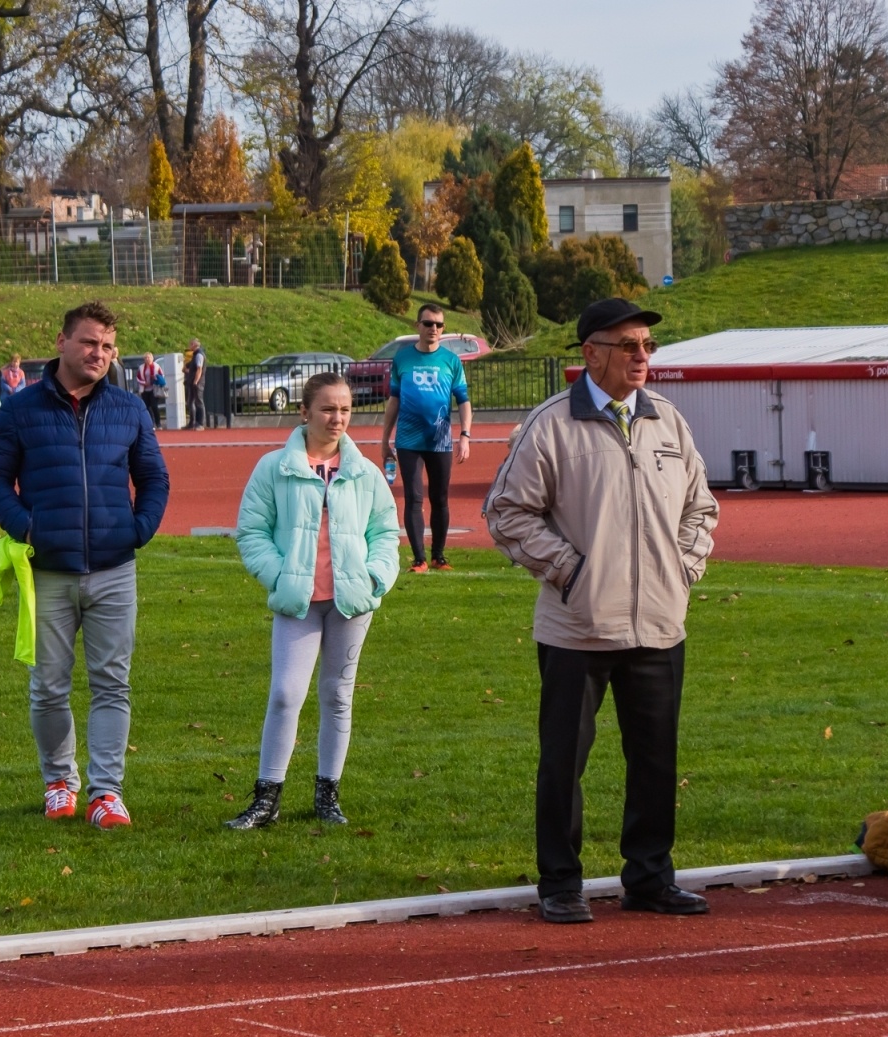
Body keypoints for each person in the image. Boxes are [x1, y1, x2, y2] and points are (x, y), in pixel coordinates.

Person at [484, 297, 719, 923]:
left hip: (659, 625)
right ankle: (560, 884)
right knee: (564, 763)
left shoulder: (668, 421)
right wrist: (570, 571)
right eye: (629, 346)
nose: (643, 357)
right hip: (578, 628)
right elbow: (506, 512)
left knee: (655, 760)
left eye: (648, 346)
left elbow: (702, 507)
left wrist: (682, 570)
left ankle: (649, 877)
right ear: (591, 353)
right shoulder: (552, 424)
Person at [0, 301, 170, 829]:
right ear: (61, 342)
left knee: (112, 682)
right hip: (48, 574)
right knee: (48, 685)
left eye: (107, 346)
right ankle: (59, 782)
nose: (99, 354)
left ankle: (107, 792)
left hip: (114, 569)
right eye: (89, 343)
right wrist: (29, 528)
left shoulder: (128, 409)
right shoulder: (22, 410)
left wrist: (138, 530)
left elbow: (154, 479)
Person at [228, 372, 400, 828]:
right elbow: (251, 532)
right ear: (305, 412)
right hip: (298, 603)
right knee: (285, 694)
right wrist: (281, 576)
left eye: (344, 409)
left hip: (351, 603)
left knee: (337, 695)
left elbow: (385, 531)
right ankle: (267, 798)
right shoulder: (274, 466)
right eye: (327, 408)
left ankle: (328, 795)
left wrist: (375, 578)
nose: (337, 417)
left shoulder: (363, 472)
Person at [380, 304, 473, 573]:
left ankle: (439, 556)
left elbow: (464, 401)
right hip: (408, 440)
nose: (434, 329)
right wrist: (385, 439)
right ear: (417, 325)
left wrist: (465, 436)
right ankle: (419, 558)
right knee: (413, 497)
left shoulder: (451, 361)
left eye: (439, 325)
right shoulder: (403, 359)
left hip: (440, 440)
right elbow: (393, 401)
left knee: (440, 498)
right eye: (428, 323)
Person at [134, 352, 165, 426]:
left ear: (152, 358)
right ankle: (151, 423)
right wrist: (144, 383)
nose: (147, 359)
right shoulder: (141, 367)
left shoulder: (156, 366)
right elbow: (138, 378)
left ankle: (158, 423)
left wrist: (155, 379)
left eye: (149, 357)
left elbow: (162, 375)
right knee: (147, 407)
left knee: (154, 406)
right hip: (144, 389)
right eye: (146, 358)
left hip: (154, 389)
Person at [184, 338, 207, 430]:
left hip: (197, 382)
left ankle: (200, 423)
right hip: (192, 381)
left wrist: (196, 381)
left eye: (191, 344)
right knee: (190, 401)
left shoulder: (199, 355)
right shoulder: (195, 355)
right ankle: (192, 423)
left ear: (194, 345)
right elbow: (191, 368)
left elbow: (199, 369)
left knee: (199, 402)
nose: (189, 346)